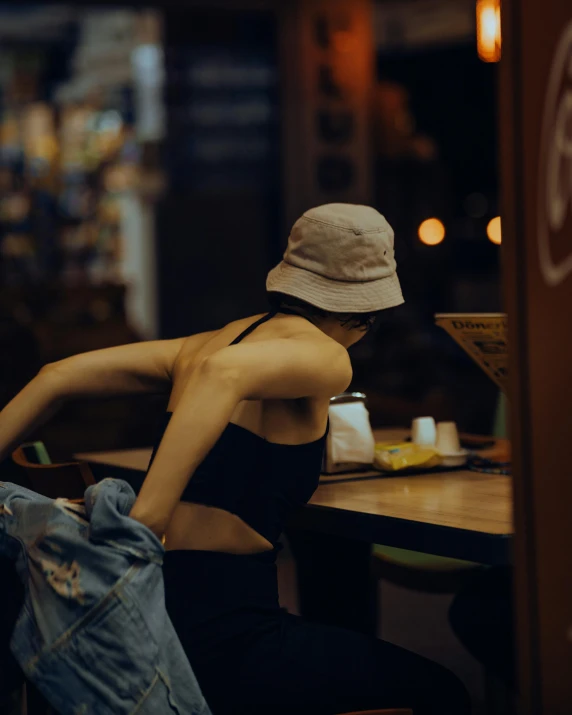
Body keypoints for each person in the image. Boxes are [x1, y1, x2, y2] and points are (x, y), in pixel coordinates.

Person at [0, 204, 470, 715]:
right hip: (225, 636)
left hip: (167, 612)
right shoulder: (327, 355)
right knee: (444, 692)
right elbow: (224, 376)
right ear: (367, 307)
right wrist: (140, 530)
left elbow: (55, 377)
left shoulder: (211, 343)